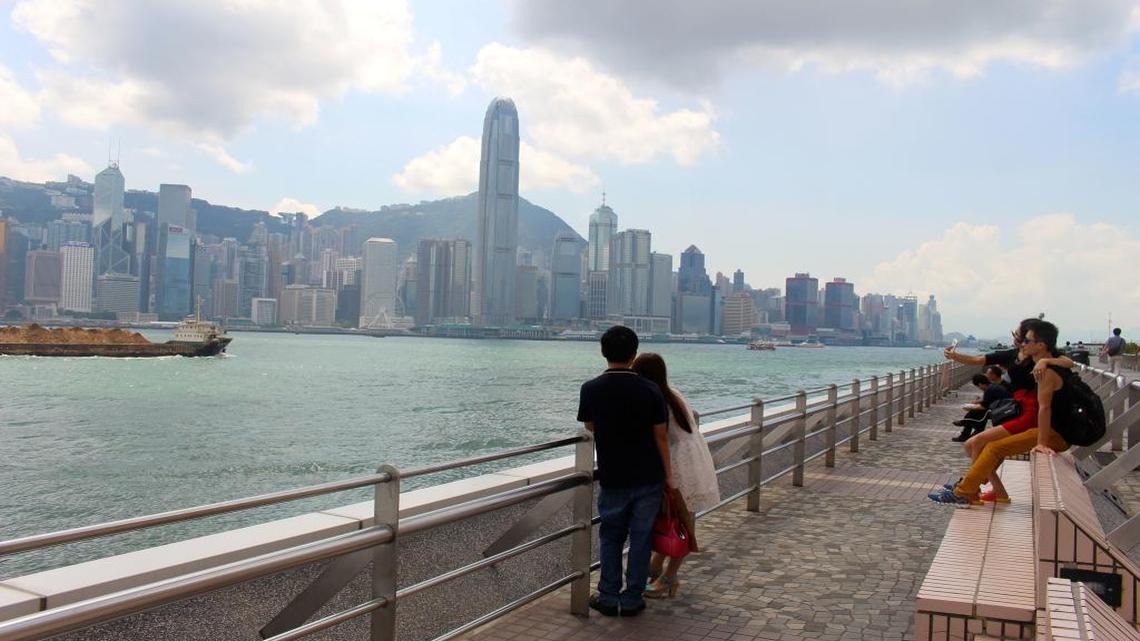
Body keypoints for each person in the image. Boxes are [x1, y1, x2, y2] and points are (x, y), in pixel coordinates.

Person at [577, 326, 671, 617]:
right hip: (648, 476)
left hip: (613, 474)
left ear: (604, 352)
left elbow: (589, 426)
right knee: (641, 538)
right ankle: (632, 599)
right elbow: (661, 436)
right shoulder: (651, 390)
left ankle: (607, 596)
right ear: (634, 354)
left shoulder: (591, 388)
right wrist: (669, 476)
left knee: (611, 536)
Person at [930, 319, 1073, 505]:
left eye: (1019, 336)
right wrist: (954, 356)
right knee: (972, 445)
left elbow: (1068, 362)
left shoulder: (1039, 357)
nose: (1016, 339)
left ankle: (970, 489)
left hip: (1032, 412)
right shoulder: (1013, 355)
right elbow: (977, 360)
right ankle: (989, 490)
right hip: (1021, 409)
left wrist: (1045, 361)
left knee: (981, 444)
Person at [631, 353, 720, 599]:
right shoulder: (671, 392)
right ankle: (658, 567)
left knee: (682, 521)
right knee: (679, 517)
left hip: (679, 464)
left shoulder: (655, 398)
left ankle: (670, 576)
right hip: (693, 457)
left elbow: (656, 436)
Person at [951, 368, 1010, 443]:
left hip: (1003, 410)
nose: (980, 388)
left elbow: (984, 406)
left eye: (978, 387)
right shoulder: (992, 386)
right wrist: (977, 403)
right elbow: (988, 401)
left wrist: (969, 407)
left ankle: (966, 427)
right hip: (1003, 407)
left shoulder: (989, 389)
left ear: (980, 384)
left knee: (975, 413)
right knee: (976, 414)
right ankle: (971, 431)